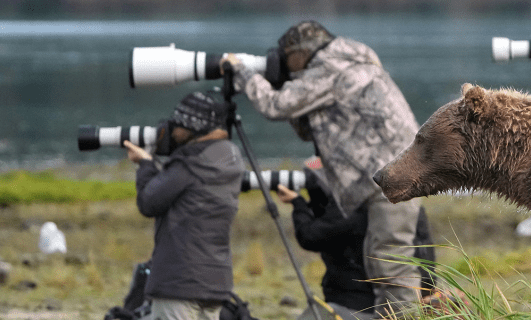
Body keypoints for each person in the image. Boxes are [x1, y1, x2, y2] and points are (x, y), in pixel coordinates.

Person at [220, 20, 422, 317]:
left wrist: (242, 70)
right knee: (384, 259)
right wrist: (281, 84)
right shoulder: (351, 62)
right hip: (395, 172)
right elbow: (309, 126)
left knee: (390, 261)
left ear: (301, 53)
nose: (288, 67)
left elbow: (275, 106)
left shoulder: (330, 69)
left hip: (391, 176)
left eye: (287, 59)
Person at [123, 91, 244, 320]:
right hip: (215, 283)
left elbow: (149, 202)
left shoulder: (189, 164)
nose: (172, 130)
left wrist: (146, 164)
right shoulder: (230, 157)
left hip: (179, 283)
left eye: (177, 124)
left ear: (191, 127)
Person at [276, 162, 438, 320]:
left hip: (355, 306)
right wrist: (425, 294)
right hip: (404, 302)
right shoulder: (405, 201)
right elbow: (426, 253)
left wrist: (299, 204)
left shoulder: (352, 203)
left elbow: (310, 236)